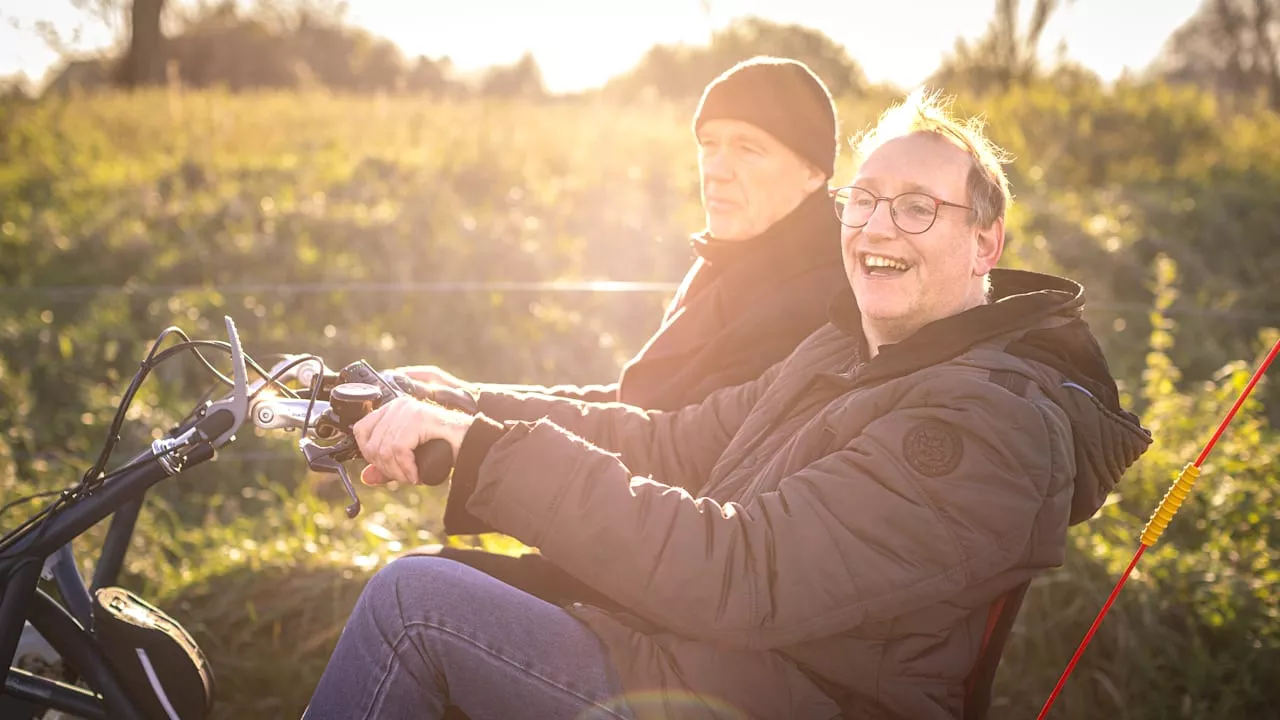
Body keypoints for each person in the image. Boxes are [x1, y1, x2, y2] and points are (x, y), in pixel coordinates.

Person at [301, 88, 1153, 720]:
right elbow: (670, 444)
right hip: (715, 666)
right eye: (864, 200)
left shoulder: (981, 425)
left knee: (414, 607)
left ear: (985, 244)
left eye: (919, 208)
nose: (878, 226)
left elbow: (745, 573)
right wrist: (452, 405)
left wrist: (484, 453)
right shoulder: (845, 354)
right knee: (452, 581)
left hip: (777, 698)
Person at [397, 55, 850, 608]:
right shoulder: (734, 260)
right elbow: (633, 406)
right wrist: (461, 398)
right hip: (624, 551)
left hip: (670, 588)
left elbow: (673, 444)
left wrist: (471, 424)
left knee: (420, 595)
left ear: (814, 171)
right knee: (423, 581)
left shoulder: (812, 303)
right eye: (709, 143)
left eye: (748, 148)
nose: (716, 168)